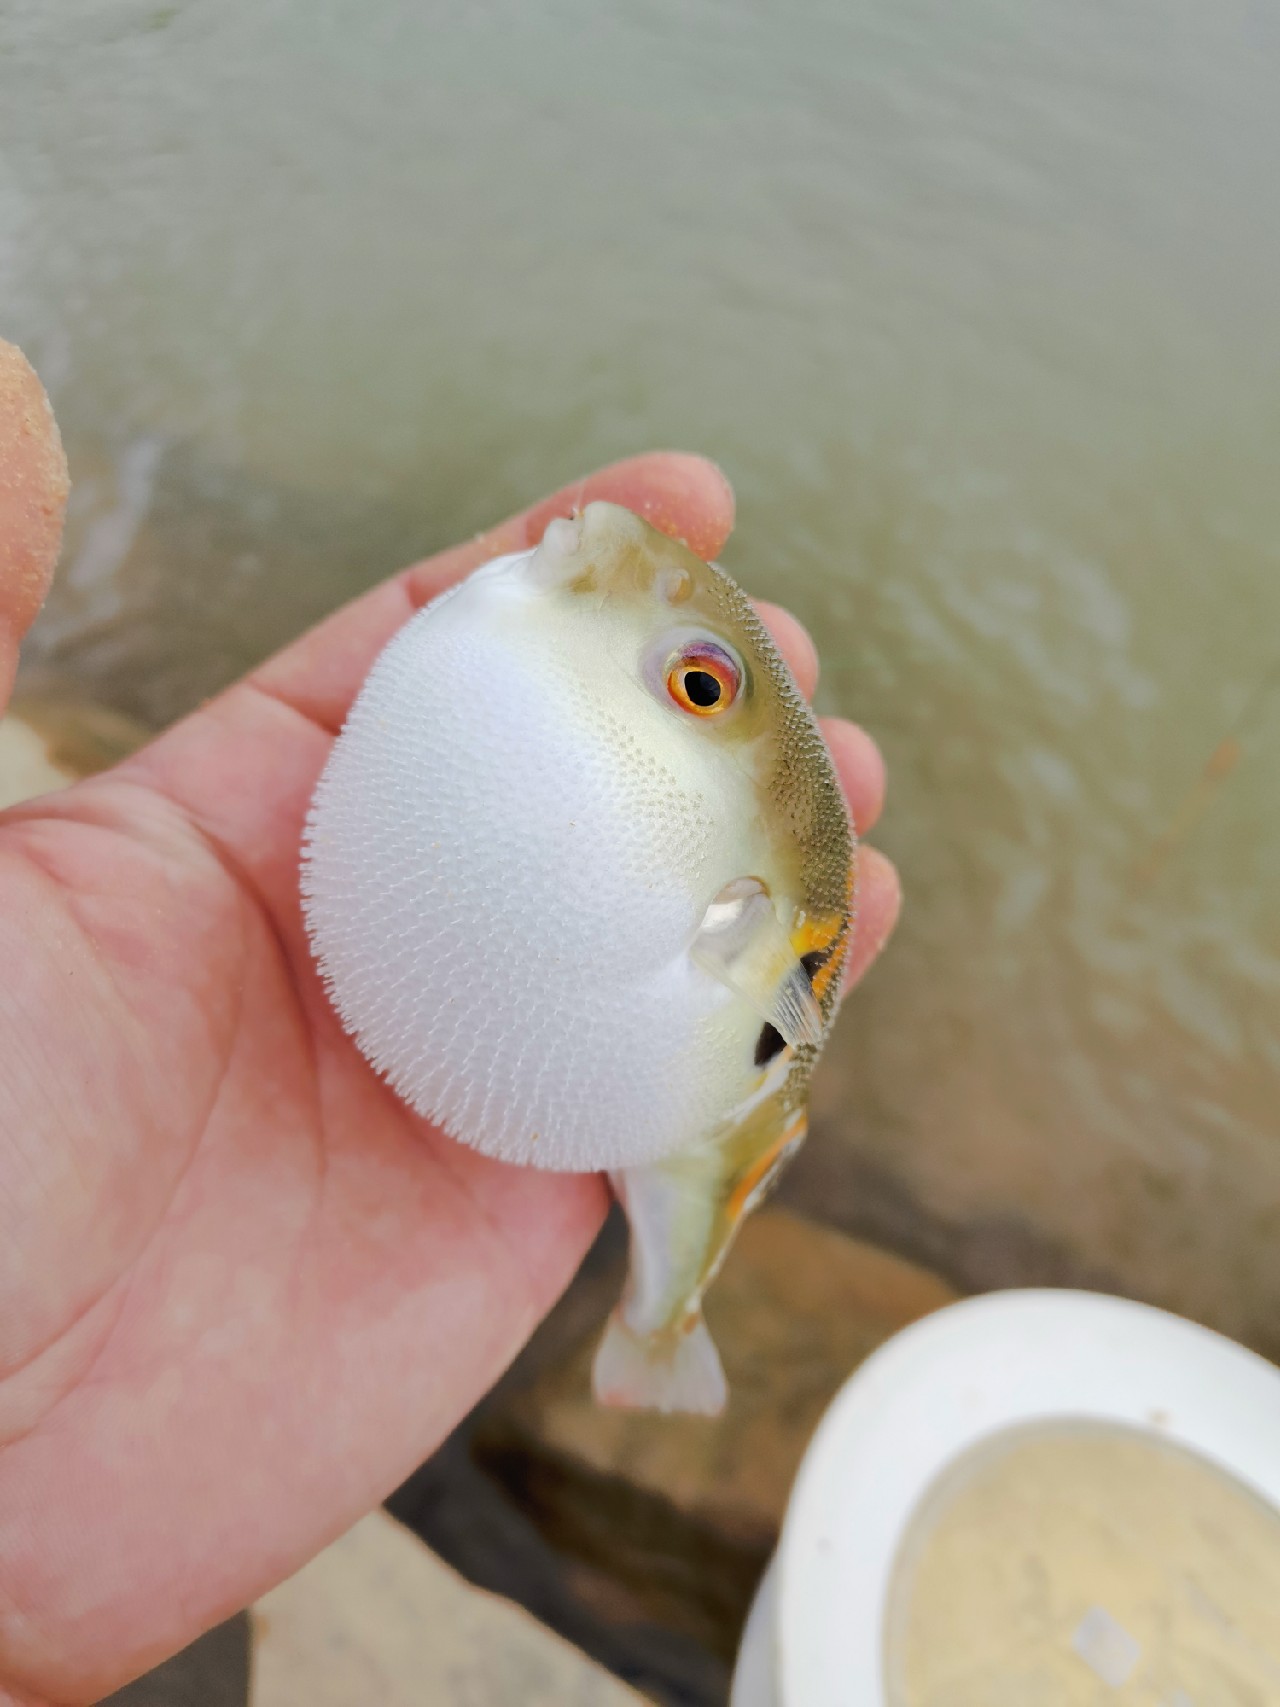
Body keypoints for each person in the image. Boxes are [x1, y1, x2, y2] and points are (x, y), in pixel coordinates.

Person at [0, 338, 900, 1705]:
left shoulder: (712, 1010)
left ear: (733, 921)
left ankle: (665, 1322)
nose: (615, 551)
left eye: (697, 687)